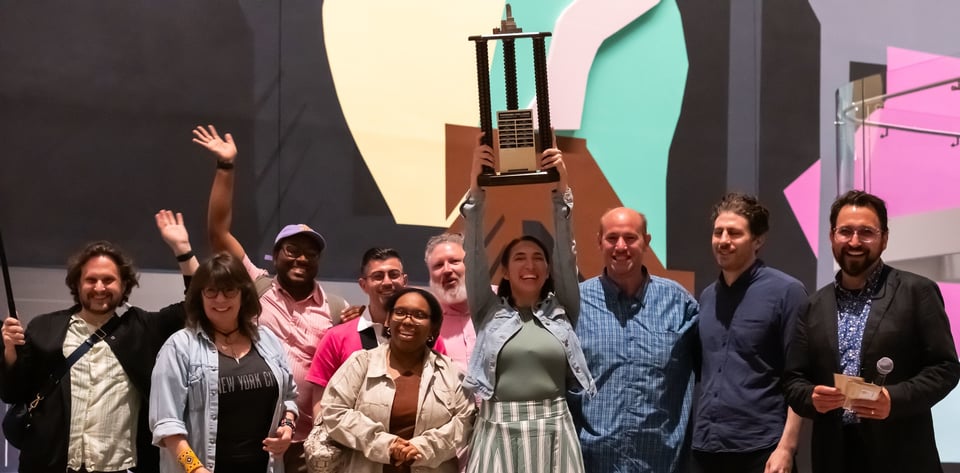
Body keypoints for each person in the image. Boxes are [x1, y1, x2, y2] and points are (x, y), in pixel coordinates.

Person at [193, 124, 356, 471]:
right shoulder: (255, 286)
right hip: (254, 433)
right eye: (292, 250)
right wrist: (226, 167)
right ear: (275, 254)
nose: (301, 258)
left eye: (310, 254)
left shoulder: (337, 308)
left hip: (310, 441)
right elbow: (217, 232)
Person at [0, 210, 198, 473]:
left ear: (124, 283)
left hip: (120, 468)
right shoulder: (45, 326)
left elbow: (198, 304)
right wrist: (10, 351)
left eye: (109, 280)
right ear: (77, 283)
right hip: (47, 465)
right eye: (91, 280)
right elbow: (12, 392)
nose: (99, 288)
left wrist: (182, 250)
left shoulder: (143, 328)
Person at [782, 190, 960, 473]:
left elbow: (945, 368)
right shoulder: (812, 306)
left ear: (884, 238)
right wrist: (811, 397)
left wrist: (893, 399)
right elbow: (793, 380)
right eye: (845, 231)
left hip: (902, 455)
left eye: (866, 232)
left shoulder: (917, 292)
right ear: (832, 237)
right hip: (834, 456)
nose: (854, 241)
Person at [461, 138, 595, 473]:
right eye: (519, 258)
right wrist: (476, 189)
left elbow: (567, 254)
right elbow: (474, 253)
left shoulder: (563, 309)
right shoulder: (487, 311)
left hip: (554, 429)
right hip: (498, 429)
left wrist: (562, 190)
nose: (530, 265)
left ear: (548, 270)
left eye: (538, 258)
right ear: (505, 270)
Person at [574, 207, 699, 473]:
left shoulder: (679, 303)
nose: (621, 246)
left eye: (630, 238)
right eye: (612, 238)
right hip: (593, 462)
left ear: (646, 241)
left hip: (661, 461)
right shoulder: (576, 304)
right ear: (599, 242)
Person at [150, 252, 298, 473]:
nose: (220, 299)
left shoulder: (267, 339)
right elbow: (167, 425)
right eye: (211, 291)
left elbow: (289, 398)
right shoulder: (179, 347)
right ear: (199, 296)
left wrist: (287, 427)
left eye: (229, 290)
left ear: (243, 294)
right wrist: (195, 469)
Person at [691, 193, 807, 473]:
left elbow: (800, 377)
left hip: (762, 450)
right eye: (718, 232)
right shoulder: (707, 298)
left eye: (734, 233)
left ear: (758, 240)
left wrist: (786, 449)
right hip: (706, 448)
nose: (723, 240)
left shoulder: (787, 292)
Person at [319, 287, 475, 473]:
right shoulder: (361, 363)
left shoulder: (450, 372)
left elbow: (466, 421)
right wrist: (385, 444)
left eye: (419, 315)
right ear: (387, 320)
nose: (408, 321)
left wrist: (423, 448)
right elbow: (333, 411)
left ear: (433, 327)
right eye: (400, 313)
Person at [307, 247, 448, 417]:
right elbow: (321, 402)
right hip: (350, 441)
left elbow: (444, 392)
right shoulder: (336, 338)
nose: (387, 282)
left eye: (394, 275)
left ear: (404, 280)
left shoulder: (427, 337)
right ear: (363, 285)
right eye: (378, 276)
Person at [424, 233, 475, 372]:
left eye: (454, 261)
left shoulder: (504, 303)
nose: (447, 270)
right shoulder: (426, 319)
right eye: (438, 265)